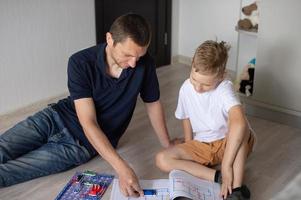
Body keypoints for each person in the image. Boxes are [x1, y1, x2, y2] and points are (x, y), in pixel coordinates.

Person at [0, 13, 176, 197]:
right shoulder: (79, 62)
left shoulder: (144, 64)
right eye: (127, 55)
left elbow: (153, 103)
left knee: (7, 173)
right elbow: (88, 121)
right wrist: (122, 168)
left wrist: (167, 143)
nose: (133, 63)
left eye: (139, 56)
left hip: (79, 145)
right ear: (110, 39)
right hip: (54, 117)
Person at [155, 40, 255, 200]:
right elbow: (186, 118)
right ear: (192, 67)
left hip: (228, 144)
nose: (198, 88)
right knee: (161, 159)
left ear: (222, 76)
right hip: (203, 145)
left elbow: (239, 123)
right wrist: (189, 145)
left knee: (242, 128)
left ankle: (236, 188)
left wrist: (227, 164)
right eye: (194, 79)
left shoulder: (224, 88)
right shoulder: (186, 88)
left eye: (206, 84)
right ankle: (218, 177)